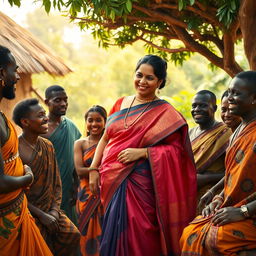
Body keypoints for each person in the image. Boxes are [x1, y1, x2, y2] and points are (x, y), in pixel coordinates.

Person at [89, 55, 197, 256]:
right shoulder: (121, 103)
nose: (142, 82)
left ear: (160, 82)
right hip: (111, 179)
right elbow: (105, 138)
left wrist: (145, 152)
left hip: (142, 187)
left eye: (150, 78)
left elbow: (178, 153)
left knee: (141, 234)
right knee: (112, 232)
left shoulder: (166, 113)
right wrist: (94, 169)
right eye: (139, 75)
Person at [180, 71, 256, 256]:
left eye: (236, 94)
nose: (229, 98)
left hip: (250, 211)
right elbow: (233, 175)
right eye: (229, 92)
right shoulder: (238, 129)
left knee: (217, 237)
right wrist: (216, 195)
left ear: (254, 99)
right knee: (190, 232)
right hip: (232, 206)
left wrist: (244, 211)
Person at [0, 45, 52, 255]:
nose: (18, 76)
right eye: (15, 69)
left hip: (16, 211)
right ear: (2, 73)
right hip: (6, 220)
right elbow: (1, 182)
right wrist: (27, 177)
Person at [13, 98, 81, 256]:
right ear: (25, 122)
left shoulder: (47, 145)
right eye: (41, 115)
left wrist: (54, 212)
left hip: (51, 211)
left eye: (45, 114)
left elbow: (56, 184)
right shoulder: (15, 150)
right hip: (28, 212)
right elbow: (16, 193)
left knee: (73, 235)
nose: (46, 118)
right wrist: (42, 215)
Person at [42, 85, 81, 225]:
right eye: (58, 100)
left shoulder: (70, 126)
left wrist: (77, 186)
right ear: (47, 102)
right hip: (47, 192)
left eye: (65, 100)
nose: (63, 104)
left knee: (70, 233)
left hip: (69, 190)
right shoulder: (41, 129)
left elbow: (77, 159)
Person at [198, 90, 242, 209]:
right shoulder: (232, 134)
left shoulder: (246, 136)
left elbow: (238, 173)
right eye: (224, 110)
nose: (227, 114)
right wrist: (213, 192)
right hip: (218, 195)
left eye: (232, 109)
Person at [189, 90, 232, 208]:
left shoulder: (226, 133)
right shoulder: (188, 134)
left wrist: (205, 178)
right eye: (194, 106)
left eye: (203, 105)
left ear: (214, 108)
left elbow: (234, 171)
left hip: (213, 195)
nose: (197, 109)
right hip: (187, 194)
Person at [74, 105, 107, 256]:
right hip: (85, 195)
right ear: (85, 122)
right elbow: (79, 170)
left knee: (105, 228)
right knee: (86, 229)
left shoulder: (110, 143)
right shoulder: (80, 143)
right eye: (90, 120)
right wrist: (96, 170)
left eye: (98, 120)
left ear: (105, 122)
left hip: (105, 194)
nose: (94, 124)